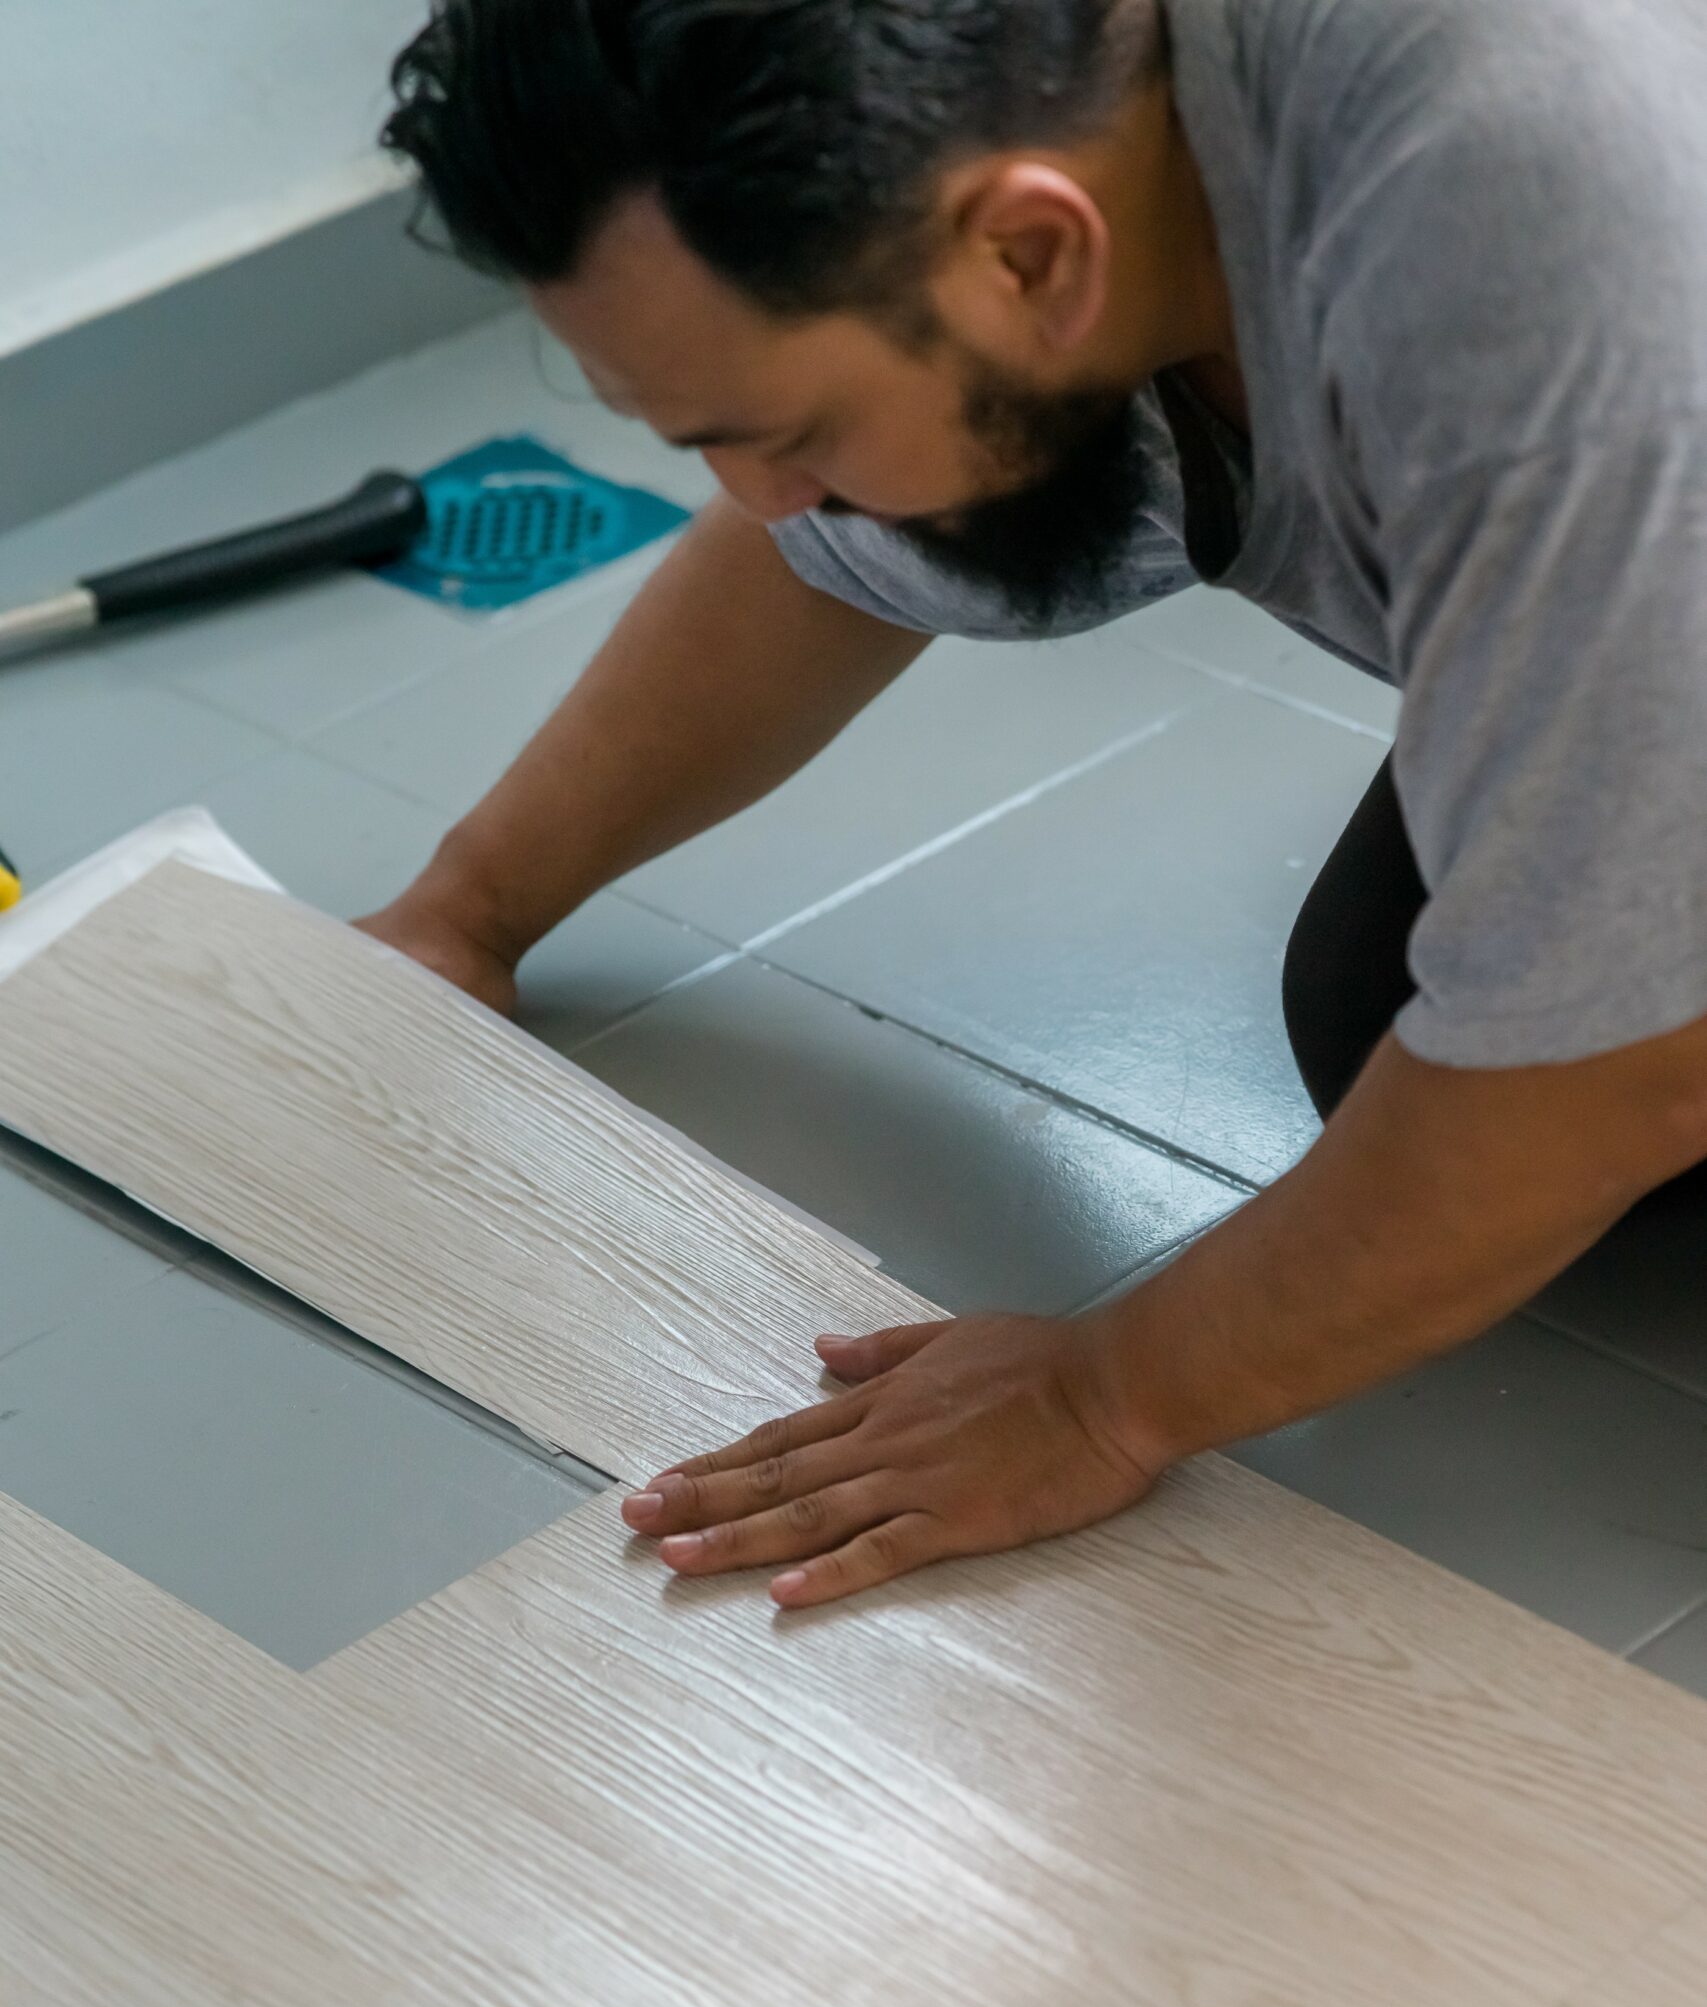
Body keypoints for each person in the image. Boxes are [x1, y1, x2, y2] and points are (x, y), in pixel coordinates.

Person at [359, 0, 1707, 1611]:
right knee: (1385, 997)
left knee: (1544, 1052)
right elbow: (827, 561)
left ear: (1035, 258)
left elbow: (1616, 1062)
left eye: (790, 439)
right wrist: (468, 910)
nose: (768, 500)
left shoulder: (1551, 282)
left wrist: (1106, 1393)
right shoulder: (1075, 115)